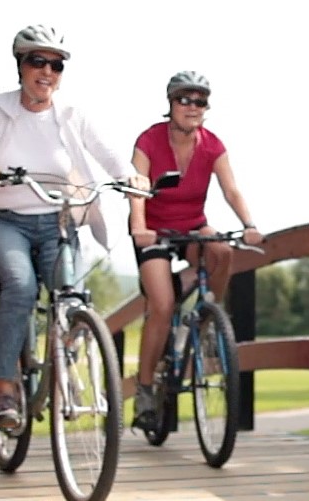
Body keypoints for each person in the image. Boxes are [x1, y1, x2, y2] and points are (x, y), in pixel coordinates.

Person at [0, 24, 148, 431]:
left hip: (57, 218)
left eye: (55, 65)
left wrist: (131, 177)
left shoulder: (71, 116)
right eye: (37, 61)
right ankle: (5, 389)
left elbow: (108, 154)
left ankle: (66, 368)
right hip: (5, 220)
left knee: (71, 294)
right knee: (19, 286)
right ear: (20, 66)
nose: (47, 71)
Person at [126, 70, 263, 430]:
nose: (192, 106)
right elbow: (137, 188)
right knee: (162, 305)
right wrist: (139, 228)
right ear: (170, 104)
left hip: (191, 226)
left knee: (222, 250)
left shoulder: (213, 144)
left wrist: (249, 224)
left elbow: (231, 190)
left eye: (200, 101)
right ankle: (144, 391)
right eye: (184, 99)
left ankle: (206, 322)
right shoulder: (149, 140)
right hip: (153, 231)